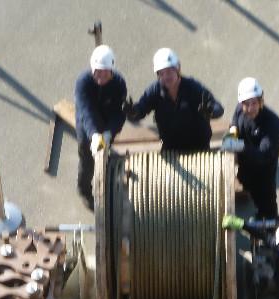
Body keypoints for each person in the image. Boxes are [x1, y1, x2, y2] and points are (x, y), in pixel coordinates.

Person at [125, 48, 224, 152]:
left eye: (169, 71)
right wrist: (132, 113)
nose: (166, 76)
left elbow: (219, 109)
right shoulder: (155, 90)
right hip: (170, 148)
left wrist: (210, 111)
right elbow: (140, 110)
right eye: (161, 73)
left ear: (178, 69)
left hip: (199, 146)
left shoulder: (193, 87)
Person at [221, 77, 279, 219]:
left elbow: (263, 156)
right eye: (246, 104)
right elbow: (235, 123)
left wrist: (240, 146)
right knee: (247, 185)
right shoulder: (239, 110)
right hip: (245, 168)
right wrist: (232, 135)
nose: (250, 109)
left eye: (254, 103)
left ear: (261, 101)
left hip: (263, 175)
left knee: (267, 206)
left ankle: (270, 221)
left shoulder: (273, 123)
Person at [74, 44, 127, 210]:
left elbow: (118, 113)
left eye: (104, 72)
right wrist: (94, 135)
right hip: (87, 125)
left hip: (106, 124)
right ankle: (84, 190)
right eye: (97, 71)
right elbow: (86, 111)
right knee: (87, 159)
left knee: (106, 153)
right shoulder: (83, 83)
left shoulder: (119, 84)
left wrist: (108, 133)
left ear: (111, 70)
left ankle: (107, 177)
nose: (100, 76)